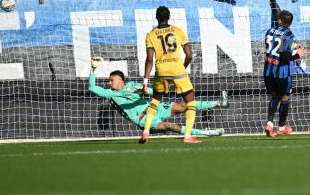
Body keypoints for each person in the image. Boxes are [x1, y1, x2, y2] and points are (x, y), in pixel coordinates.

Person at [88, 57, 228, 137]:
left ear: (120, 80)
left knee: (183, 105)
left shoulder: (132, 86)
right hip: (144, 120)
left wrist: (149, 91)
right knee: (169, 126)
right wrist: (92, 69)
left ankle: (219, 103)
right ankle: (207, 133)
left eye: (111, 80)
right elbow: (92, 88)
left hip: (154, 108)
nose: (109, 83)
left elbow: (149, 91)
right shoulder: (110, 94)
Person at [140, 6, 201, 144]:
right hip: (177, 70)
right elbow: (189, 55)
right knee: (191, 101)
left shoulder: (151, 34)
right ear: (169, 17)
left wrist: (145, 81)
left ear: (156, 17)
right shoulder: (178, 31)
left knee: (155, 100)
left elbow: (150, 59)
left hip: (161, 70)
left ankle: (146, 131)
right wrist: (183, 67)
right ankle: (187, 136)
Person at [263, 9, 307, 138]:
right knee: (285, 96)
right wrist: (297, 54)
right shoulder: (288, 34)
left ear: (279, 20)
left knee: (275, 96)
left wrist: (292, 47)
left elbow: (275, 46)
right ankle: (280, 127)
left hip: (268, 71)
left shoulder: (270, 30)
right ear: (290, 23)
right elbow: (284, 57)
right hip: (281, 73)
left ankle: (270, 124)